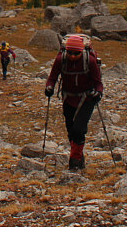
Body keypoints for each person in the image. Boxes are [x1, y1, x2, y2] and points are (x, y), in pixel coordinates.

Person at [44, 34, 104, 170]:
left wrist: (98, 93)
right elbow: (52, 77)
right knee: (71, 131)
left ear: (82, 51)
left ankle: (75, 162)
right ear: (66, 51)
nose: (72, 56)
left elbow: (98, 83)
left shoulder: (90, 61)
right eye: (70, 53)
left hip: (87, 98)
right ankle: (79, 156)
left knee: (79, 129)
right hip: (68, 97)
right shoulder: (61, 60)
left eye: (76, 53)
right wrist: (49, 87)